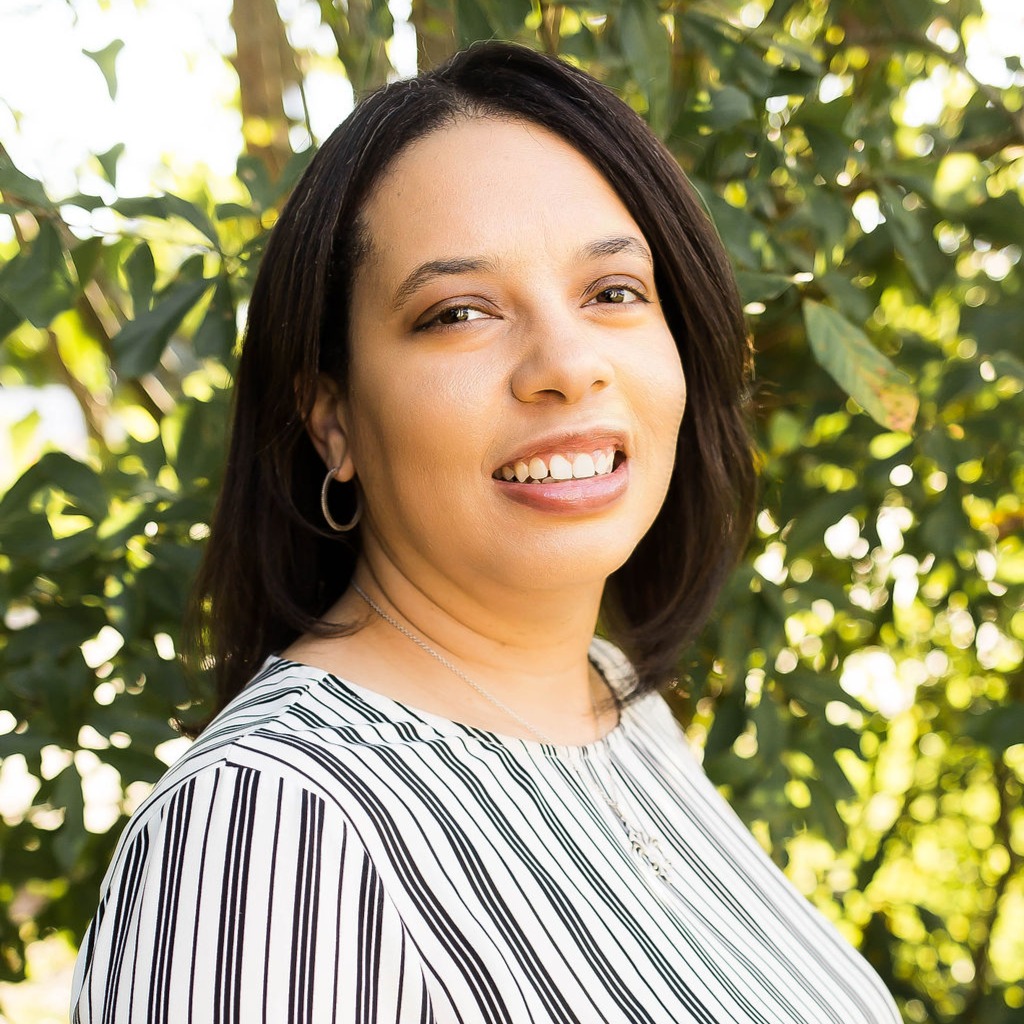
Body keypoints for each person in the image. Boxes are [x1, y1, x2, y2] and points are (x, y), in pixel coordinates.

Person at [71, 41, 901, 1024]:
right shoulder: (271, 827)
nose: (565, 363)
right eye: (459, 311)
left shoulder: (617, 703)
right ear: (331, 417)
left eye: (612, 292)